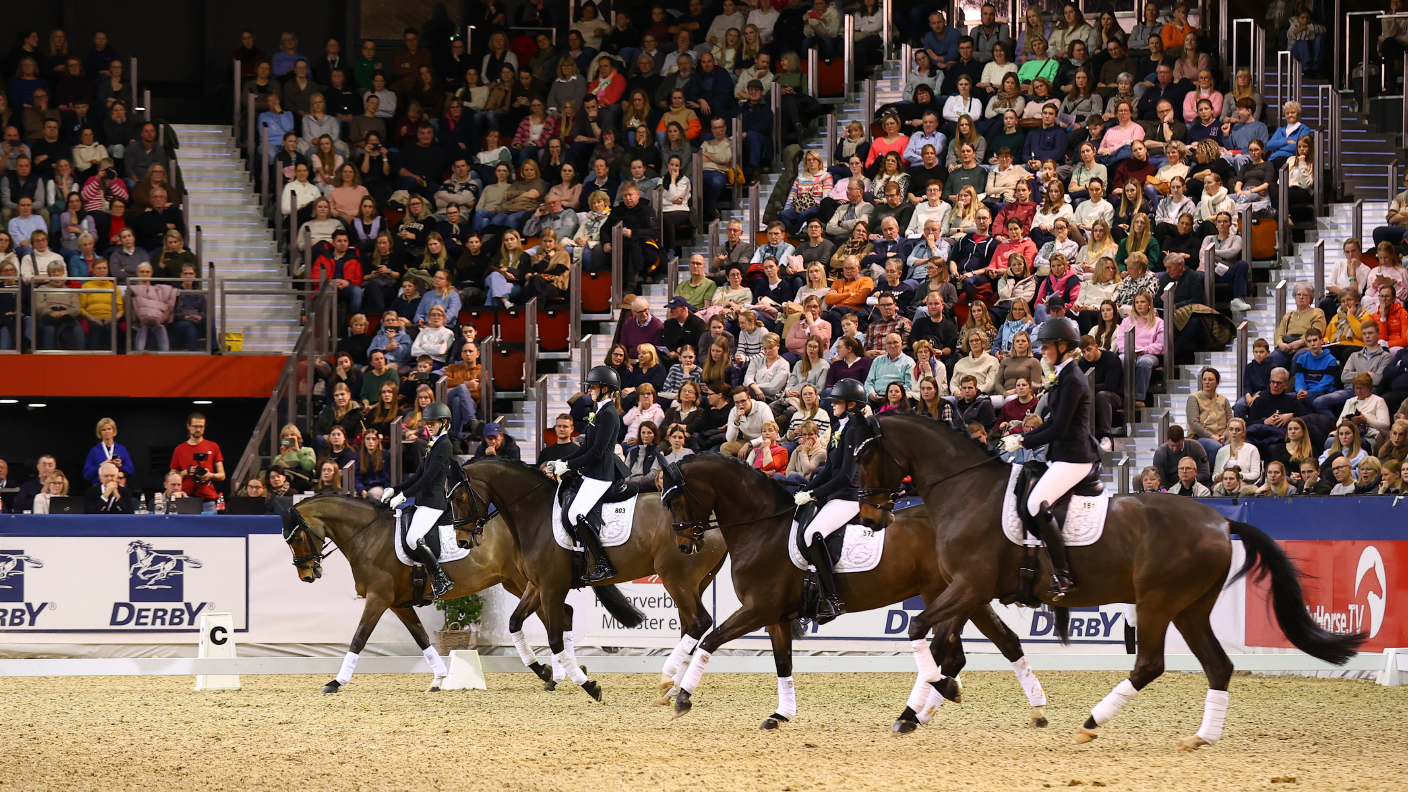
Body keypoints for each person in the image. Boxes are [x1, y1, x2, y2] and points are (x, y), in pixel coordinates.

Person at [1001, 319, 1099, 600]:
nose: (1042, 352)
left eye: (1046, 347)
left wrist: (1023, 441)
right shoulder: (1061, 376)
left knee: (1035, 503)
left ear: (1063, 347)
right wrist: (1020, 435)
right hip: (1061, 455)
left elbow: (1060, 428)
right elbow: (1051, 420)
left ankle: (1064, 573)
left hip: (1075, 456)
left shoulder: (1073, 379)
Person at [792, 378, 875, 622]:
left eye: (837, 401)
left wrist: (814, 494)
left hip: (849, 496)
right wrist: (805, 490)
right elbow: (829, 469)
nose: (833, 405)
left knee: (812, 534)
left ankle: (832, 598)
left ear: (851, 404)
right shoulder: (840, 426)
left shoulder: (855, 429)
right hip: (836, 493)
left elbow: (846, 476)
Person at [545, 366, 631, 583]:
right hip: (592, 470)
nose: (590, 390)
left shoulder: (609, 414)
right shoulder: (600, 411)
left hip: (602, 473)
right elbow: (585, 447)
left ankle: (603, 563)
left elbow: (596, 452)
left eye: (593, 387)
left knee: (576, 514)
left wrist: (569, 466)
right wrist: (561, 462)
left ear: (605, 389)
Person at [381, 402, 455, 598]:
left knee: (413, 538)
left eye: (432, 423)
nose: (428, 426)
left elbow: (428, 478)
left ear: (444, 422)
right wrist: (395, 489)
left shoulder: (445, 445)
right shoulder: (433, 443)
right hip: (423, 501)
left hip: (434, 503)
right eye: (427, 423)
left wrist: (404, 495)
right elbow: (418, 475)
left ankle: (441, 579)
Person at [169, 413, 224, 500]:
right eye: (195, 426)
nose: (198, 429)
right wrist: (185, 472)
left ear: (204, 427)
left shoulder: (213, 446)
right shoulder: (179, 449)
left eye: (201, 426)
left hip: (208, 495)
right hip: (185, 496)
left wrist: (210, 475)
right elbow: (171, 476)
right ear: (189, 426)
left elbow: (222, 475)